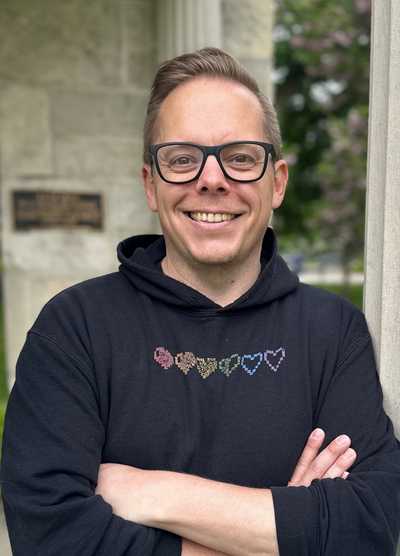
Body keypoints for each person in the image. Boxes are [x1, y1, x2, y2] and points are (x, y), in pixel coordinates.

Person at [1, 47, 399, 556]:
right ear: (151, 183)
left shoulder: (332, 332)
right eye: (183, 159)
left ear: (276, 182)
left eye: (239, 157)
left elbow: (371, 527)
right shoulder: (74, 328)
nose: (212, 179)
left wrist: (154, 493)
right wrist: (282, 531)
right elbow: (51, 536)